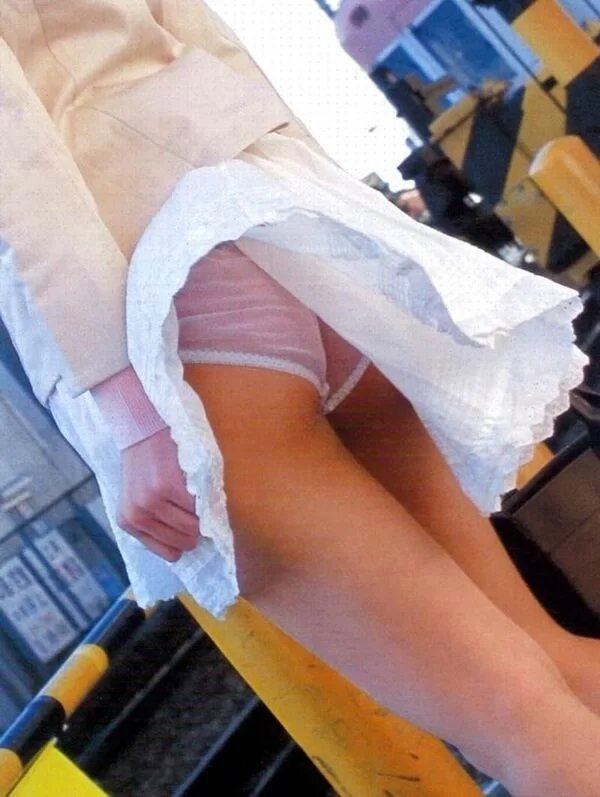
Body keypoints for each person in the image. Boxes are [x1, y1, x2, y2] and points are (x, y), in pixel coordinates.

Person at [2, 2, 600, 794]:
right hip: (272, 221)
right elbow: (206, 37)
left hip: (160, 302)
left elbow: (13, 162)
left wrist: (129, 407)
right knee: (547, 663)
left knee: (516, 721)